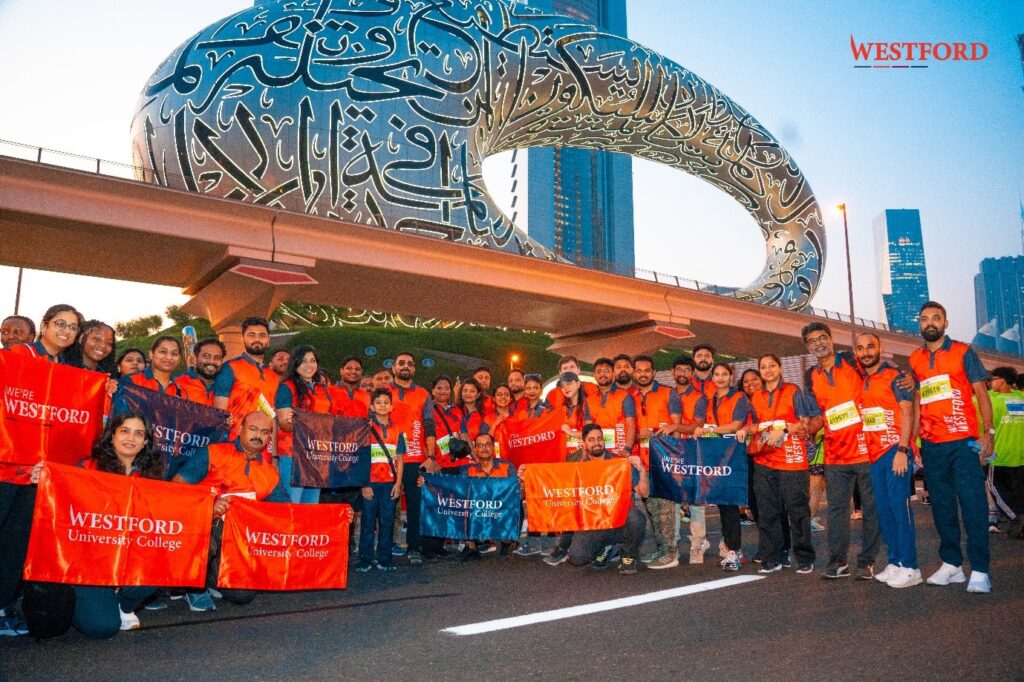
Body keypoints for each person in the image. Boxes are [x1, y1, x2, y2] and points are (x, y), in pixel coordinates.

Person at [0, 304, 80, 638]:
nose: (65, 331)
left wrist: (100, 394)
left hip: (38, 474)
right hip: (6, 467)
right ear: (44, 326)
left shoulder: (68, 369)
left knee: (14, 544)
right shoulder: (20, 353)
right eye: (60, 323)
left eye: (73, 327)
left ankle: (3, 606)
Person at [909, 301, 993, 593]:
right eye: (924, 319)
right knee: (942, 507)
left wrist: (988, 432)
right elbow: (919, 401)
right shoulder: (915, 359)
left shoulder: (963, 352)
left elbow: (981, 392)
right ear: (919, 324)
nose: (929, 322)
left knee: (973, 505)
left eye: (936, 318)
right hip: (932, 445)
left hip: (963, 442)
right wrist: (916, 440)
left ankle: (980, 569)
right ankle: (952, 565)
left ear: (945, 322)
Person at [172, 412, 290, 610]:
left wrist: (333, 519)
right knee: (207, 542)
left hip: (239, 540)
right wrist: (209, 505)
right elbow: (177, 488)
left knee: (242, 595)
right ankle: (193, 588)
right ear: (240, 429)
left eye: (264, 432)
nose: (258, 435)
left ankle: (211, 579)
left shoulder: (269, 473)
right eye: (253, 429)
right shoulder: (214, 452)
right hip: (203, 525)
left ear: (270, 437)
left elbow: (288, 513)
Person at [70, 412, 162, 636]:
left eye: (138, 434)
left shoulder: (152, 476)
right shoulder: (88, 467)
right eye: (124, 431)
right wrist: (44, 478)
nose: (131, 438)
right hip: (89, 561)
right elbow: (64, 502)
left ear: (145, 442)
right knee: (102, 628)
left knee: (162, 563)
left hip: (130, 556)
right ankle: (74, 594)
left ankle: (123, 604)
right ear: (111, 436)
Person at [803, 321, 881, 580]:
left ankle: (867, 561)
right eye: (812, 340)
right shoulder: (810, 376)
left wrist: (900, 376)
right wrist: (804, 428)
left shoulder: (850, 359)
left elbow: (878, 365)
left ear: (831, 338)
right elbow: (817, 417)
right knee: (837, 511)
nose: (819, 343)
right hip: (835, 454)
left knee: (870, 507)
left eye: (822, 337)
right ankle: (838, 562)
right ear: (807, 346)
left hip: (865, 449)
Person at [854, 333, 920, 588]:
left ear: (880, 348)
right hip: (875, 455)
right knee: (884, 510)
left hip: (895, 451)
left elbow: (907, 412)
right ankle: (895, 562)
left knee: (899, 509)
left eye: (870, 346)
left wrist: (903, 449)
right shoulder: (864, 379)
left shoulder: (894, 376)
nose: (865, 352)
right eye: (860, 348)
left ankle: (911, 566)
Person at [746, 354, 819, 575]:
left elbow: (806, 423)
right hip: (764, 460)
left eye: (772, 366)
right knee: (767, 512)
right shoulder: (755, 397)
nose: (767, 370)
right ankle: (772, 557)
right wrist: (745, 430)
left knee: (798, 511)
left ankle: (804, 557)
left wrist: (785, 430)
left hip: (792, 460)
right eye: (763, 366)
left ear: (779, 368)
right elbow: (756, 426)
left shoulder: (793, 391)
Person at [544, 425, 649, 575]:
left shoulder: (619, 463)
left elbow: (644, 493)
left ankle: (628, 555)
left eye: (600, 438)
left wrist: (641, 470)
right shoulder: (578, 468)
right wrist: (527, 477)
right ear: (585, 444)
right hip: (594, 524)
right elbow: (567, 503)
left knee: (636, 518)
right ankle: (607, 548)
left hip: (619, 522)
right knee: (577, 558)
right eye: (591, 440)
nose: (597, 442)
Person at [694, 362, 751, 571]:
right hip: (715, 457)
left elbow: (736, 425)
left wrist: (710, 430)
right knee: (723, 504)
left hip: (733, 455)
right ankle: (732, 548)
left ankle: (734, 550)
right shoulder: (707, 401)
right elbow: (699, 426)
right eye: (716, 374)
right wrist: (700, 431)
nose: (720, 377)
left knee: (731, 504)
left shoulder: (739, 397)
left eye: (724, 374)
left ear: (730, 376)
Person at [633, 355, 682, 566]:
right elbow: (628, 430)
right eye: (639, 370)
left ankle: (670, 553)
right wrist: (637, 433)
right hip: (642, 462)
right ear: (635, 374)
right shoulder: (631, 396)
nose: (643, 374)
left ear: (653, 372)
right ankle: (662, 548)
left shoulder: (667, 393)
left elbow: (677, 426)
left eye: (647, 370)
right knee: (652, 508)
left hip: (664, 459)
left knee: (665, 509)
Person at [389, 352, 435, 565]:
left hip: (416, 457)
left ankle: (414, 548)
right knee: (387, 505)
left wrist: (431, 456)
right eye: (401, 363)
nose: (405, 366)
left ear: (414, 369)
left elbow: (429, 426)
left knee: (416, 506)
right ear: (394, 368)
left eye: (409, 363)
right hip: (388, 458)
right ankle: (385, 547)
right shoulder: (384, 391)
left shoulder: (423, 394)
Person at [275, 345, 333, 504]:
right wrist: (312, 424)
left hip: (317, 454)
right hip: (294, 454)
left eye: (312, 361)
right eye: (304, 361)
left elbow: (330, 421)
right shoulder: (287, 387)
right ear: (295, 364)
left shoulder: (322, 389)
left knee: (311, 505)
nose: (309, 365)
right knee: (293, 503)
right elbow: (285, 424)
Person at [670, 356, 712, 563]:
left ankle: (697, 544)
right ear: (673, 372)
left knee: (695, 502)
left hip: (693, 453)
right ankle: (673, 546)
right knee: (674, 501)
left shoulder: (699, 397)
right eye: (680, 369)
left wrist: (676, 427)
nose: (683, 373)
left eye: (687, 370)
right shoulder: (667, 395)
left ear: (692, 373)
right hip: (670, 454)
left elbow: (698, 426)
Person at [213, 317, 279, 447]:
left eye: (262, 335)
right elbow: (218, 415)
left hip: (263, 447)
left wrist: (274, 456)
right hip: (233, 444)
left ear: (268, 340)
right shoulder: (230, 368)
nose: (257, 339)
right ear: (242, 338)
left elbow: (274, 417)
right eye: (251, 335)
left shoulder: (273, 376)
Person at [359, 388, 406, 573]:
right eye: (378, 402)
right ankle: (365, 560)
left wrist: (398, 483)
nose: (382, 405)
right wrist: (364, 484)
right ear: (372, 406)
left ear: (391, 406)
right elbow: (361, 459)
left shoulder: (397, 430)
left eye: (386, 402)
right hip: (370, 484)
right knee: (368, 523)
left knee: (387, 522)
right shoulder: (366, 428)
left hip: (390, 484)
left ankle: (384, 560)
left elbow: (400, 459)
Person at [458, 432, 518, 560]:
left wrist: (521, 489)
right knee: (459, 504)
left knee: (517, 502)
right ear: (475, 449)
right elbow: (456, 492)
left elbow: (516, 493)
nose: (484, 448)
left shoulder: (507, 466)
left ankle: (507, 542)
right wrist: (426, 483)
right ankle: (471, 545)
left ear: (493, 447)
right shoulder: (467, 470)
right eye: (479, 445)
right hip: (479, 511)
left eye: (487, 445)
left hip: (500, 510)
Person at [986, 366, 1024, 537]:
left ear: (1002, 380)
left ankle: (1016, 518)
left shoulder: (993, 401)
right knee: (1018, 491)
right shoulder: (1021, 397)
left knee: (993, 487)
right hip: (1020, 455)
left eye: (993, 379)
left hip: (1000, 455)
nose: (990, 383)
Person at [586, 357, 637, 456]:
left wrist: (627, 448)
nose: (602, 375)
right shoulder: (589, 400)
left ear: (613, 374)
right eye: (599, 371)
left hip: (620, 453)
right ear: (594, 375)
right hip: (598, 453)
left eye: (606, 371)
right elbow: (587, 429)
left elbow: (631, 425)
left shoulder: (625, 396)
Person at [172, 338, 226, 406]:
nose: (211, 361)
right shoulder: (176, 384)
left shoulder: (226, 385)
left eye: (217, 358)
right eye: (206, 356)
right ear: (195, 358)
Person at [556, 372, 593, 457]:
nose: (566, 388)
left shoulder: (587, 405)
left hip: (582, 455)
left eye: (569, 384)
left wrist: (570, 432)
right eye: (562, 386)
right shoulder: (562, 409)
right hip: (565, 456)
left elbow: (590, 433)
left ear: (578, 384)